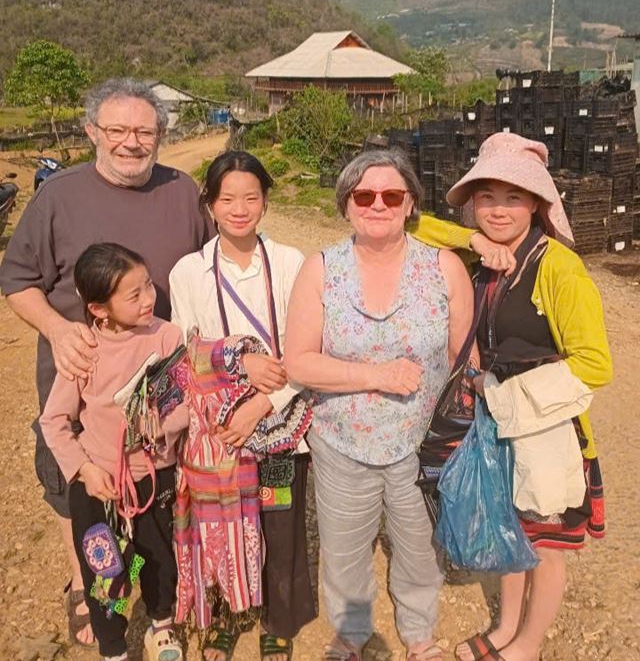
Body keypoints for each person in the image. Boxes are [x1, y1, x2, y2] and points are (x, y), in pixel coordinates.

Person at [0, 78, 212, 646]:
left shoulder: (182, 191)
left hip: (158, 389)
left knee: (150, 525)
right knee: (84, 500)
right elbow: (16, 280)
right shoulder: (58, 196)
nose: (130, 142)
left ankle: (149, 598)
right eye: (116, 130)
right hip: (85, 376)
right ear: (92, 131)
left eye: (144, 131)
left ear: (161, 135)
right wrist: (56, 328)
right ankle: (89, 584)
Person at [414, 133, 612, 661]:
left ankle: (526, 643)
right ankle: (504, 626)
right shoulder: (487, 255)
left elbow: (595, 364)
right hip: (501, 422)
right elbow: (411, 223)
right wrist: (474, 241)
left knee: (544, 547)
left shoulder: (559, 268)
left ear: (538, 205)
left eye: (513, 197)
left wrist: (494, 390)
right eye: (487, 196)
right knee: (511, 528)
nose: (497, 210)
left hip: (545, 429)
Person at [284, 149, 475, 661]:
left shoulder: (444, 268)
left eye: (392, 195)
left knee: (419, 544)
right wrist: (375, 376)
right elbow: (299, 362)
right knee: (345, 546)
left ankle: (417, 632)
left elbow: (463, 356)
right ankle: (351, 628)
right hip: (342, 439)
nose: (378, 205)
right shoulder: (321, 269)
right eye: (364, 196)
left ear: (410, 203)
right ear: (346, 204)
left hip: (423, 443)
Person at [169, 150, 314, 661]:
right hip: (220, 429)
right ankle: (228, 611)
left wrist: (265, 401)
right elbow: (186, 355)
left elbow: (307, 346)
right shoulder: (187, 272)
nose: (239, 208)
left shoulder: (294, 263)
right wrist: (240, 371)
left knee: (280, 520)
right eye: (226, 198)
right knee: (223, 523)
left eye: (251, 197)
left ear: (266, 202)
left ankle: (280, 618)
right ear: (209, 204)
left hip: (279, 417)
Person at [40, 243, 189, 661]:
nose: (148, 299)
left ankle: (161, 625)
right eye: (134, 294)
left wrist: (160, 426)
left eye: (147, 286)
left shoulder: (168, 337)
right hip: (99, 488)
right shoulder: (86, 352)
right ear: (99, 309)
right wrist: (84, 469)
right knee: (108, 569)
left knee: (158, 557)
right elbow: (54, 421)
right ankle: (113, 644)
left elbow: (185, 405)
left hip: (154, 479)